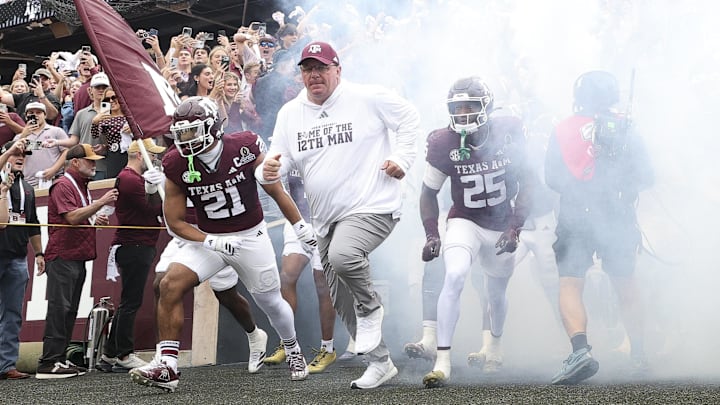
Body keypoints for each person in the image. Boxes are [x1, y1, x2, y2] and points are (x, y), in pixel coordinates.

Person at [258, 41, 420, 389]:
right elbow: (278, 160)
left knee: (344, 256)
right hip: (325, 217)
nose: (314, 75)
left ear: (337, 70)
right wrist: (268, 171)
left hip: (374, 204)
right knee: (338, 295)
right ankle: (380, 362)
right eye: (307, 69)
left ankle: (371, 308)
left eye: (321, 68)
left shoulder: (367, 97)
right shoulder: (290, 113)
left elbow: (409, 118)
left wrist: (403, 159)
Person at [129, 96, 314, 392]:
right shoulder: (176, 162)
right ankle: (168, 366)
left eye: (192, 132)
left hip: (250, 236)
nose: (185, 141)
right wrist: (209, 240)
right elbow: (175, 222)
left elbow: (274, 188)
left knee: (270, 302)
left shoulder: (244, 145)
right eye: (180, 134)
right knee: (169, 284)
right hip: (210, 236)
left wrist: (299, 225)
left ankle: (292, 348)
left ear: (213, 127)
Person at [419, 77, 537, 388]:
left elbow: (529, 183)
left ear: (488, 106)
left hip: (500, 225)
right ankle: (442, 361)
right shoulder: (443, 142)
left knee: (495, 294)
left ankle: (494, 346)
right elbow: (428, 192)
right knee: (455, 275)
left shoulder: (509, 131)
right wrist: (432, 233)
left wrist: (515, 226)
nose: (463, 114)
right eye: (457, 108)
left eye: (470, 107)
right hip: (465, 220)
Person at [545, 70, 653, 385]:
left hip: (576, 214)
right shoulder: (628, 128)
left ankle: (580, 351)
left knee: (570, 283)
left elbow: (552, 178)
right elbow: (647, 176)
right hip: (617, 213)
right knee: (625, 284)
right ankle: (639, 355)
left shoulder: (563, 129)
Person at [36, 143, 119, 379]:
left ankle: (59, 359)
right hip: (63, 255)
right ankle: (49, 361)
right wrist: (100, 203)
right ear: (75, 162)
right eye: (90, 160)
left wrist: (93, 219)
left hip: (75, 255)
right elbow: (71, 217)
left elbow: (76, 217)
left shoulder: (78, 185)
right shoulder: (63, 184)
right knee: (59, 309)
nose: (95, 164)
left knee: (68, 309)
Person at [95, 138, 165, 373]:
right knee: (130, 302)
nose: (154, 159)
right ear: (139, 156)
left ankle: (110, 354)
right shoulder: (130, 179)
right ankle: (124, 353)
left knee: (129, 301)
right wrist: (156, 189)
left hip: (135, 244)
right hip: (135, 245)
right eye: (151, 155)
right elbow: (153, 208)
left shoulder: (130, 178)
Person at [263, 170, 338, 374]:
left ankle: (327, 349)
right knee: (287, 276)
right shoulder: (291, 147)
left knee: (322, 283)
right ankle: (286, 344)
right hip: (297, 220)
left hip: (328, 222)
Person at [0, 140, 41, 380]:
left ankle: (6, 364)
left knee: (13, 314)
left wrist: (39, 253)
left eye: (24, 154)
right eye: (16, 154)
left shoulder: (27, 186)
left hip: (16, 256)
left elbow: (33, 222)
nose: (20, 156)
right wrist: (9, 150)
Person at [13, 101, 69, 187]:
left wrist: (54, 169)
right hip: (29, 183)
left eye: (38, 112)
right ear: (26, 116)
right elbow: (13, 154)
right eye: (31, 113)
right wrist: (24, 134)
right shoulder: (19, 137)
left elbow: (66, 152)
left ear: (45, 115)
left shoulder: (56, 131)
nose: (35, 115)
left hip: (54, 179)